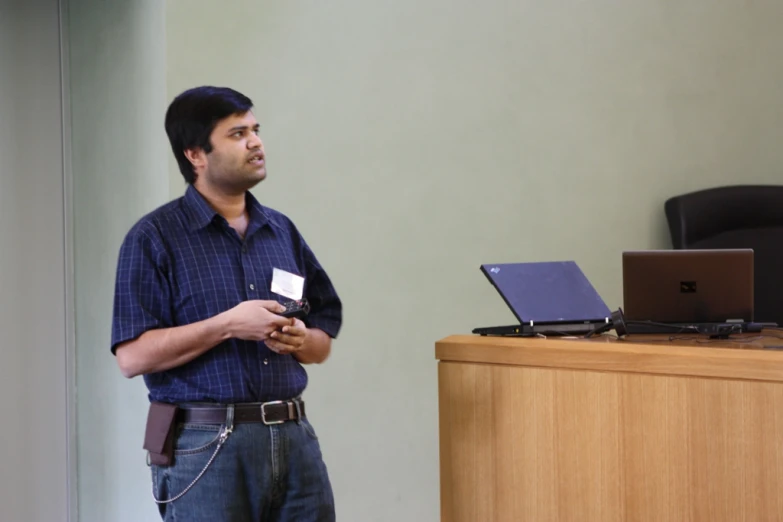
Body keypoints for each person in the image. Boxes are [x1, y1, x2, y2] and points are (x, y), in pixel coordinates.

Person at [110, 86, 343, 522]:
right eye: (237, 134)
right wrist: (228, 326)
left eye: (255, 130)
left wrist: (298, 338)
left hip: (294, 440)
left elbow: (321, 346)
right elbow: (132, 357)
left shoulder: (281, 231)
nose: (256, 142)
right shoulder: (155, 237)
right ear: (196, 154)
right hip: (205, 445)